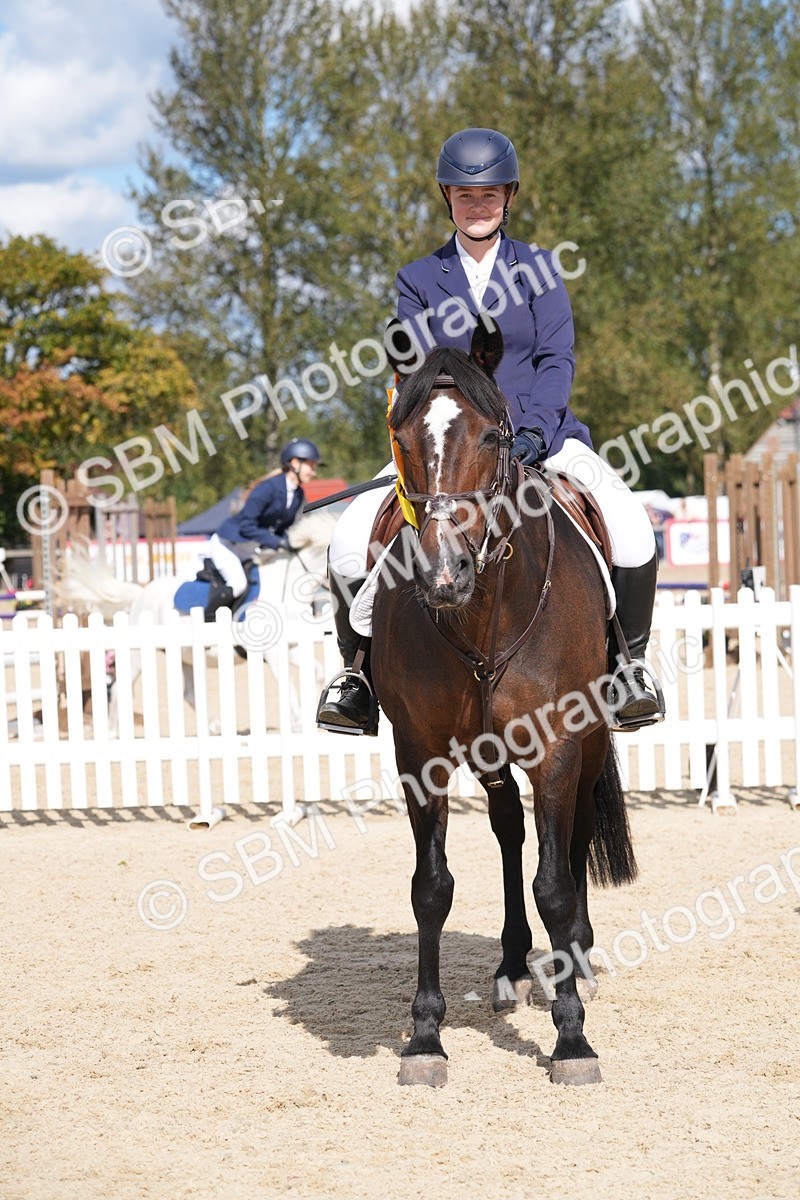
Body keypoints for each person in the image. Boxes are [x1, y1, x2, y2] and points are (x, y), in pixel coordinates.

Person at [317, 127, 662, 734]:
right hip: (447, 450)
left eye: (490, 195)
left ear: (509, 198)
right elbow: (414, 367)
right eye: (466, 196)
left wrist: (531, 431)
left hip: (545, 436)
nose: (479, 207)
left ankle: (630, 668)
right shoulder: (418, 279)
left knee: (633, 531)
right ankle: (358, 678)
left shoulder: (539, 270)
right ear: (448, 198)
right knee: (348, 540)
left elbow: (557, 360)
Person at [203, 437, 322, 620]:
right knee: (238, 584)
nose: (313, 472)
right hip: (228, 545)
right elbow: (246, 526)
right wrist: (277, 541)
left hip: (251, 550)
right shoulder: (268, 488)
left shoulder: (298, 494)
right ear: (295, 463)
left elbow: (284, 528)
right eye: (311, 466)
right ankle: (208, 624)